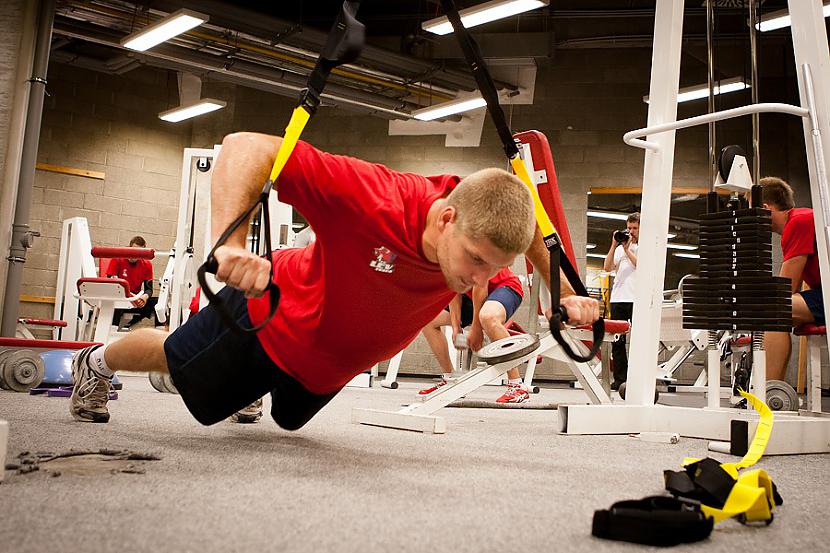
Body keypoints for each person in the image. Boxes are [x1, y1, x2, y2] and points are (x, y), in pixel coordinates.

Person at [68, 133, 600, 426]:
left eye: (492, 266)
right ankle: (94, 362)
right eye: (477, 261)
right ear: (445, 219)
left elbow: (531, 227)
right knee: (178, 362)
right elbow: (246, 148)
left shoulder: (478, 232)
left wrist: (571, 294)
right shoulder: (373, 197)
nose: (482, 278)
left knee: (290, 421)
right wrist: (228, 246)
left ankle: (251, 394)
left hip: (327, 366)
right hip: (271, 318)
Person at [419, 267, 529, 403]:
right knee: (428, 321)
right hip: (473, 296)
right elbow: (454, 292)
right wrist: (455, 326)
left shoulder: (472, 249)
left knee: (488, 317)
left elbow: (480, 287)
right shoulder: (443, 256)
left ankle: (517, 386)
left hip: (504, 287)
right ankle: (450, 379)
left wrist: (476, 329)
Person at [760, 177, 824, 381]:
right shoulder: (802, 218)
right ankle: (770, 389)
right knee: (777, 309)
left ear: (764, 208)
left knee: (775, 308)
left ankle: (768, 392)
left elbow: (785, 290)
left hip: (826, 296)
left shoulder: (798, 222)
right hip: (823, 293)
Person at [602, 212, 639, 390]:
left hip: (636, 298)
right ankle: (620, 379)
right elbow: (607, 267)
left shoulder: (644, 246)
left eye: (635, 228)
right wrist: (614, 244)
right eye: (629, 228)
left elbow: (641, 265)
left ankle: (637, 377)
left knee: (638, 341)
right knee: (618, 341)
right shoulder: (618, 249)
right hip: (618, 298)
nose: (631, 232)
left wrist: (627, 250)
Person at [106, 236, 158, 329]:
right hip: (119, 297)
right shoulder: (118, 259)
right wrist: (130, 297)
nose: (134, 255)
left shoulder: (147, 265)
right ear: (129, 248)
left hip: (135, 300)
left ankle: (163, 337)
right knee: (116, 302)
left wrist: (144, 298)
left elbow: (149, 290)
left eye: (138, 253)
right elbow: (111, 285)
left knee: (157, 303)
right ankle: (112, 330)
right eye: (133, 250)